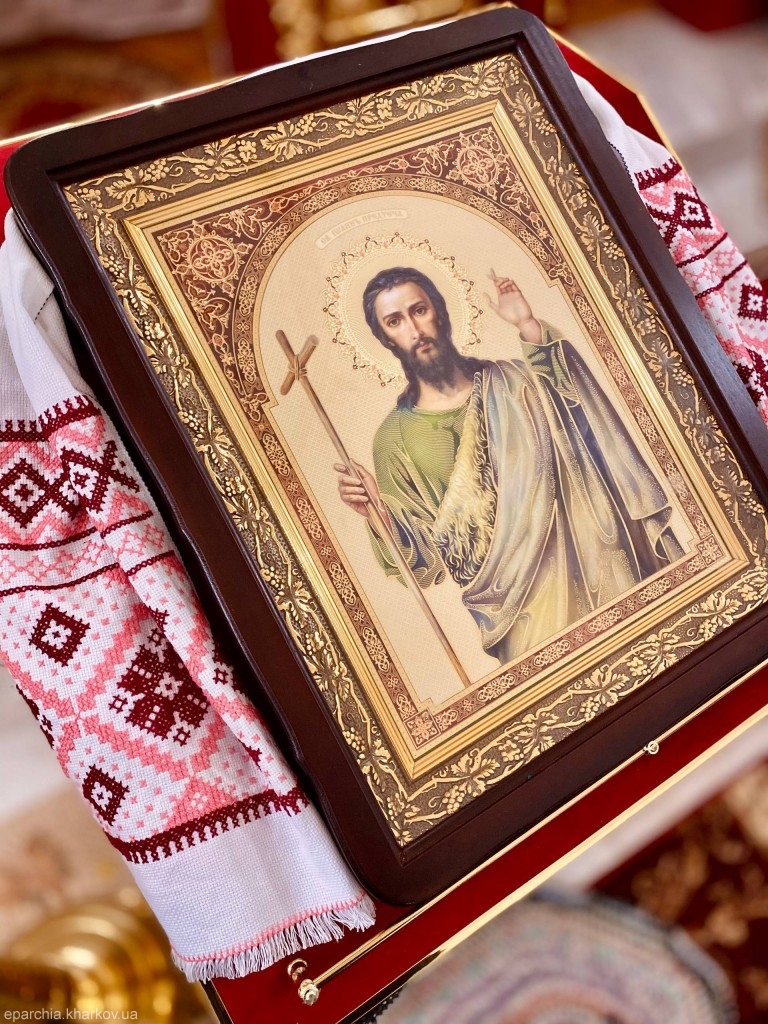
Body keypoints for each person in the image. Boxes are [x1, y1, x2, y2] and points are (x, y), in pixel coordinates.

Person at [335, 266, 683, 664]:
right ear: (385, 338)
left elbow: (582, 413)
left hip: (597, 561)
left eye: (419, 310)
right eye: (395, 321)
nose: (415, 330)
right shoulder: (392, 439)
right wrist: (377, 513)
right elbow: (425, 566)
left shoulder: (516, 381)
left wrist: (528, 327)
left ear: (439, 312)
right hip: (516, 611)